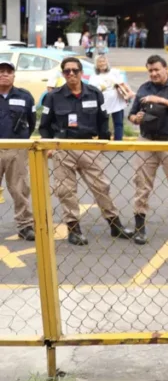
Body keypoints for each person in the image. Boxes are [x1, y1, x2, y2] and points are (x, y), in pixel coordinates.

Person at [40, 56, 133, 246]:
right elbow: (44, 126)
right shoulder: (53, 97)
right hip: (63, 148)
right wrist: (50, 145)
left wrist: (103, 144)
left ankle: (115, 225)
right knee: (66, 191)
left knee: (101, 187)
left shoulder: (94, 93)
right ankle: (74, 229)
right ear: (63, 74)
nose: (71, 74)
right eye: (67, 71)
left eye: (75, 70)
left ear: (82, 73)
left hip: (88, 147)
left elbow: (102, 120)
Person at [128, 55, 168, 245]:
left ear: (166, 68)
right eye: (150, 70)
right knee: (142, 184)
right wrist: (136, 119)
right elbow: (131, 115)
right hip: (146, 141)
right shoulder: (143, 89)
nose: (154, 73)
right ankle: (139, 228)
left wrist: (160, 100)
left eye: (157, 69)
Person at [0, 59, 36, 241]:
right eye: (1, 71)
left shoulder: (25, 96)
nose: (4, 74)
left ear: (14, 75)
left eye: (8, 71)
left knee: (20, 188)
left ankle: (25, 226)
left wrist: (21, 142)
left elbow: (32, 122)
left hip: (17, 148)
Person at [89, 54, 133, 141]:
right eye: (99, 62)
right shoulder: (94, 76)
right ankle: (104, 142)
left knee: (118, 123)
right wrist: (100, 88)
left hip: (117, 102)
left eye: (103, 61)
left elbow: (122, 84)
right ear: (96, 64)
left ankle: (118, 143)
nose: (102, 63)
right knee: (103, 124)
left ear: (107, 62)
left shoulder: (114, 72)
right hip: (103, 104)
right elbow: (91, 89)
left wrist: (129, 92)